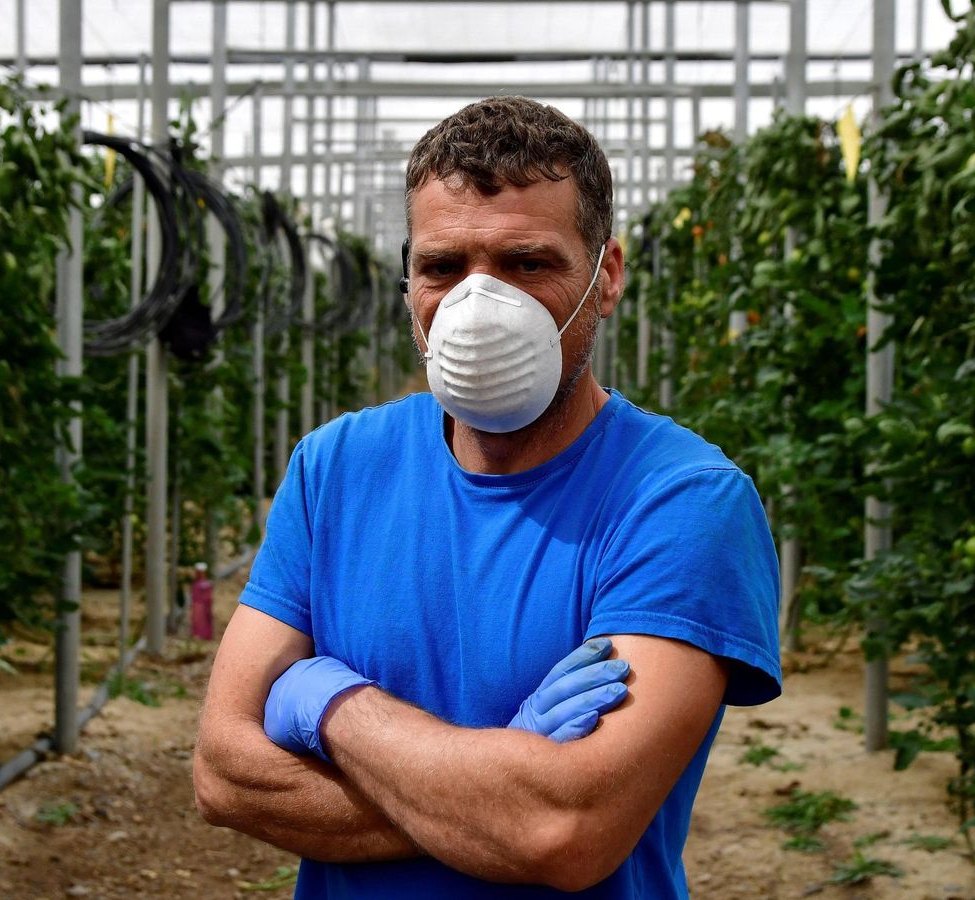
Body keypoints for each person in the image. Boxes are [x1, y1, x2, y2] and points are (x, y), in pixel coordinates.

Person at [193, 95, 782, 898]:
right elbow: (226, 775)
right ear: (409, 281)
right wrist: (497, 788)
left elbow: (564, 833)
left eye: (526, 264)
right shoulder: (335, 468)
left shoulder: (683, 503)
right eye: (443, 267)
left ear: (605, 277)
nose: (478, 306)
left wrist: (330, 704)